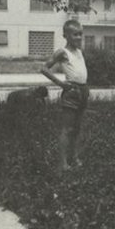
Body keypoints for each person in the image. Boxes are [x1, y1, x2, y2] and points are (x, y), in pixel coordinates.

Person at [41, 19, 89, 171]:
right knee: (67, 129)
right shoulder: (63, 52)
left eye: (81, 34)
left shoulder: (79, 51)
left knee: (77, 128)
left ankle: (74, 158)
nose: (79, 38)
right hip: (71, 92)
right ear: (66, 36)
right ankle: (62, 163)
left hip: (82, 91)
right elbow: (44, 68)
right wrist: (60, 84)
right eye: (75, 35)